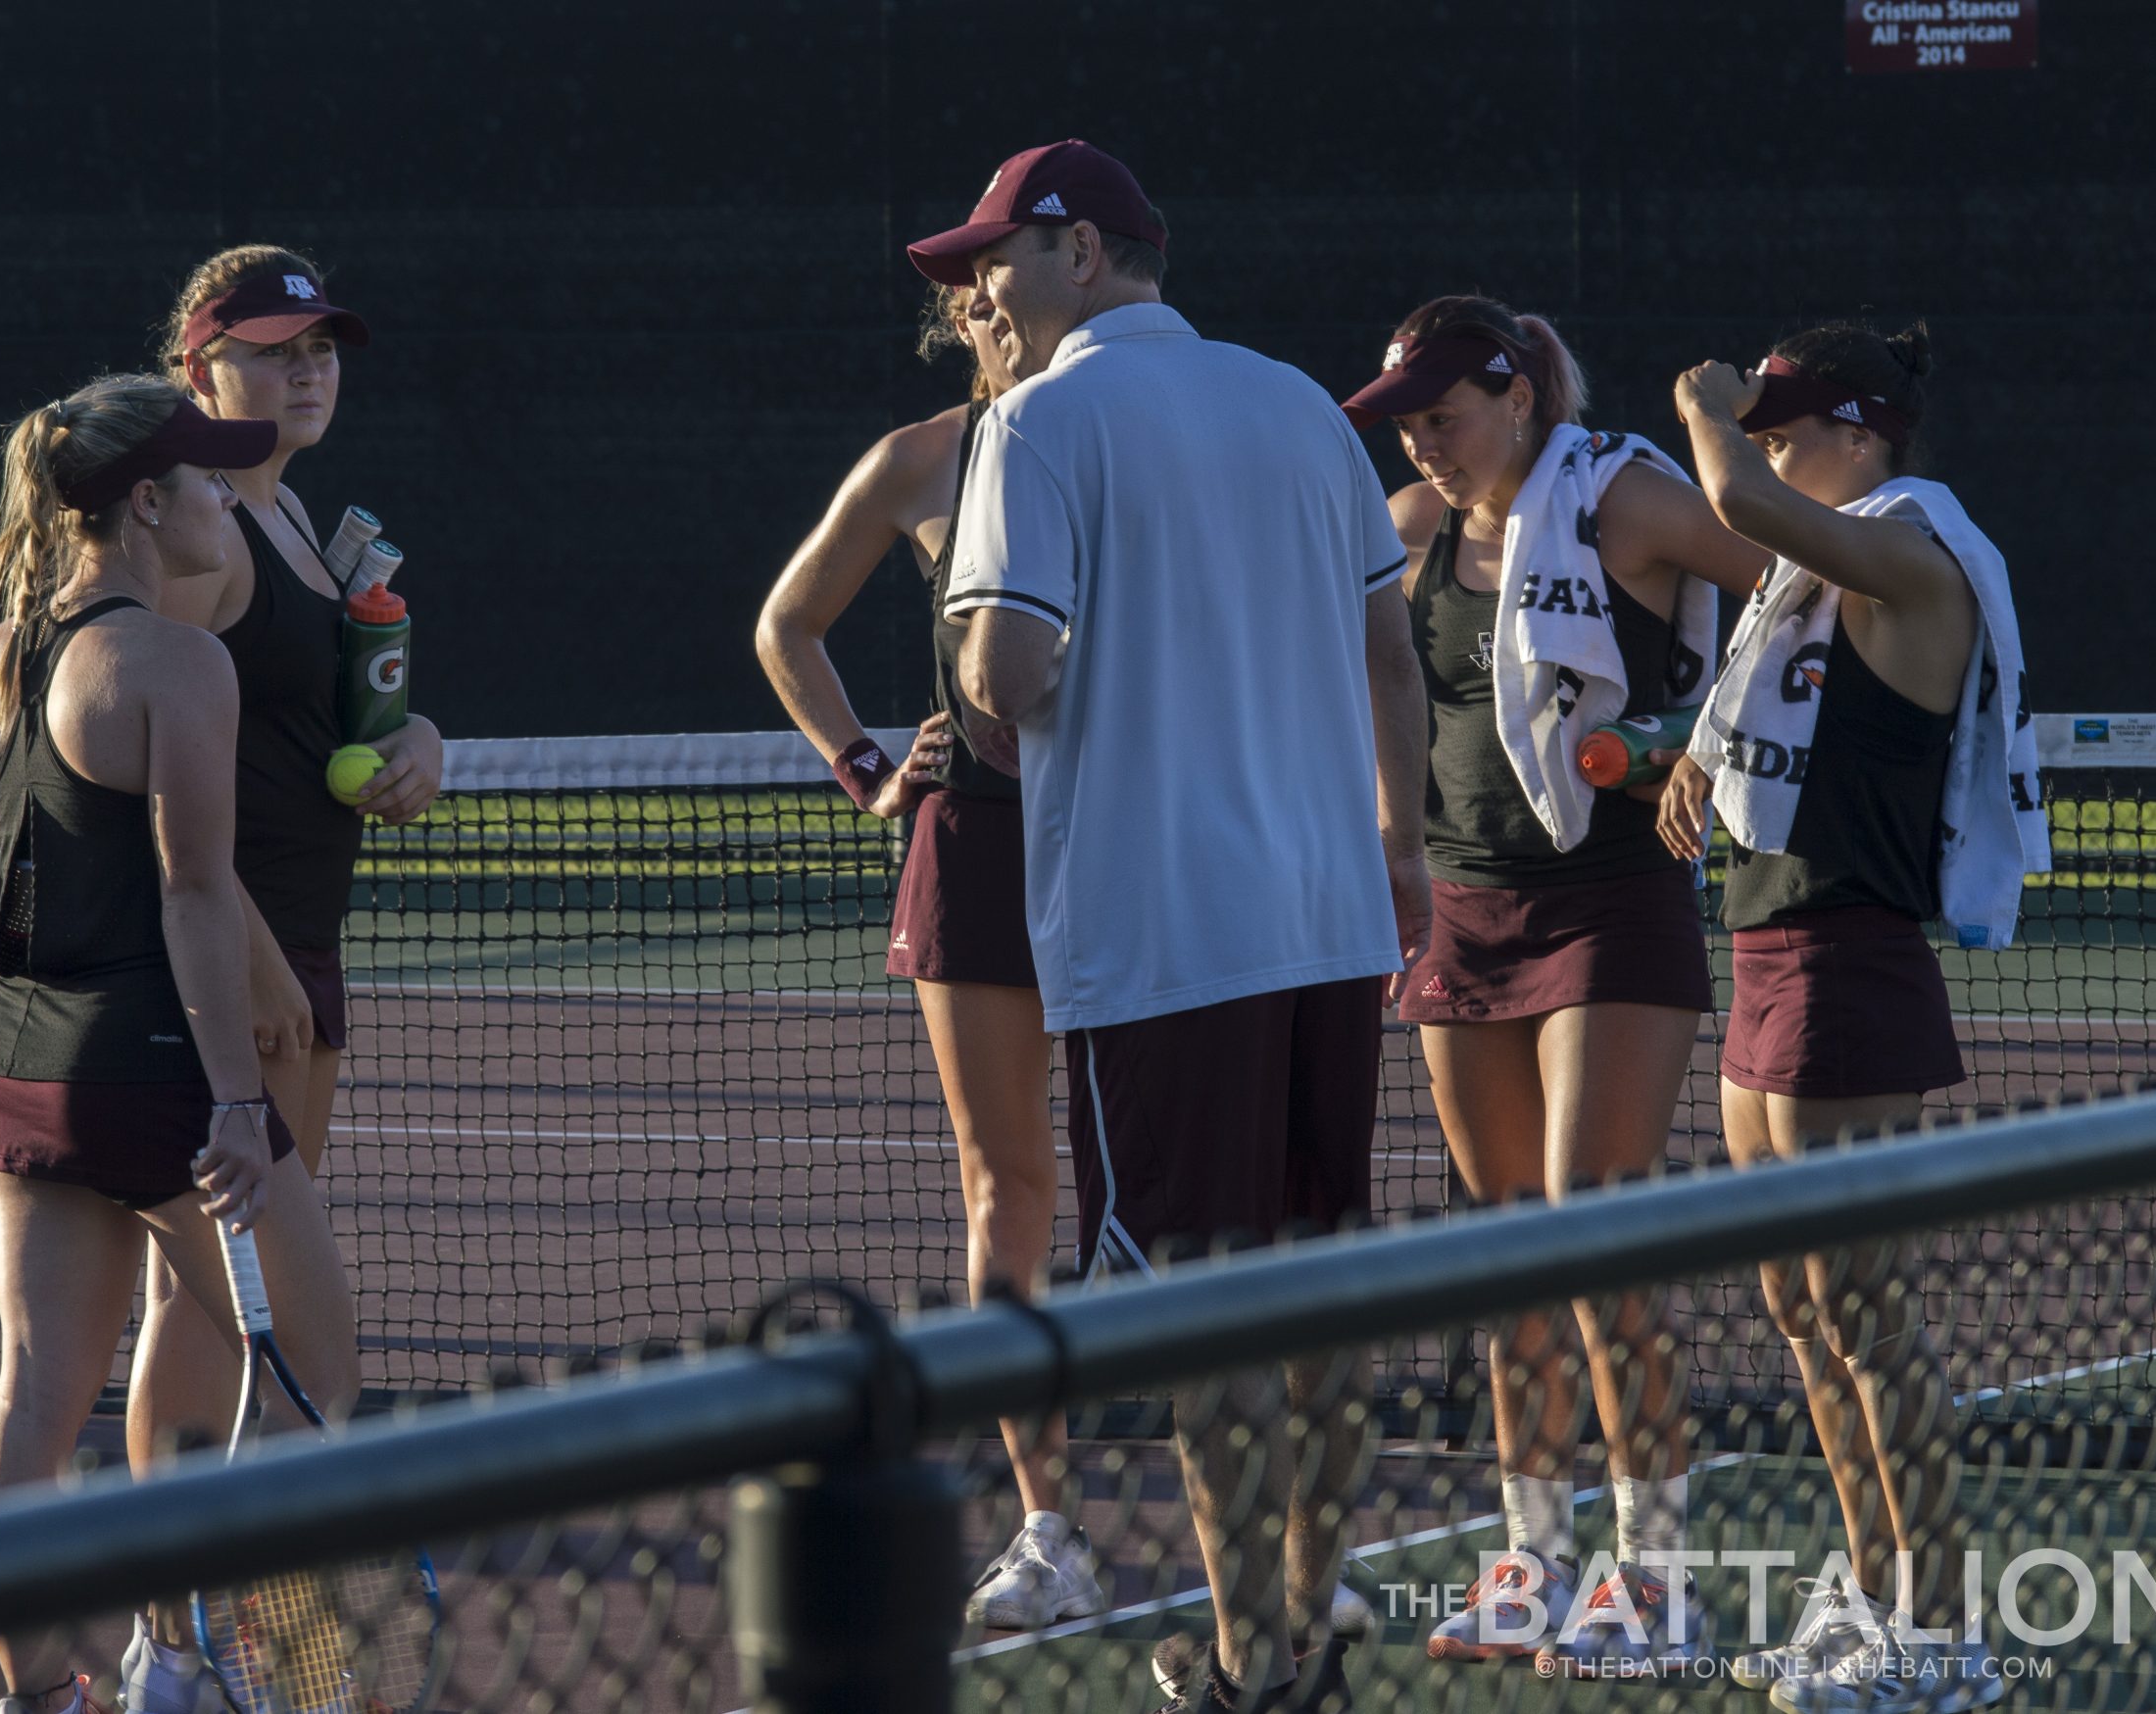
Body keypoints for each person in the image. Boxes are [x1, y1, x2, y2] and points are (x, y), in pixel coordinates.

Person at [911, 138, 1428, 1712]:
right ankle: (1304, 1632)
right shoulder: (1293, 402)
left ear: (1077, 250)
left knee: (1209, 1308)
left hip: (1169, 930)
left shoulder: (1042, 417)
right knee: (1317, 1283)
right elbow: (1389, 653)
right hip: (1328, 916)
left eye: (996, 255)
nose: (979, 287)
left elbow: (1008, 666)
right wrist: (1398, 851)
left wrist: (1000, 701)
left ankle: (1252, 1661)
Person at [1338, 298, 1771, 1678]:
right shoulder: (1409, 529)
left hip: (1613, 907)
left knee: (1597, 1235)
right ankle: (1532, 1558)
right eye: (1408, 420)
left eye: (1443, 413)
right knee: (1512, 1248)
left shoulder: (1628, 498)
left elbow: (1791, 577)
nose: (1425, 440)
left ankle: (1658, 1574)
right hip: (1459, 915)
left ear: (1518, 395)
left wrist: (1683, 733)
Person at [0, 375, 360, 1714]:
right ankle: (238, 1667)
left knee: (38, 1392)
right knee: (316, 1368)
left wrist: (9, 1061)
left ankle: (50, 1696)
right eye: (206, 483)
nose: (226, 502)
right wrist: (237, 1101)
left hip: (20, 1067)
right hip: (162, 1078)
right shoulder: (180, 661)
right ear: (144, 503)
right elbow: (194, 891)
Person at [1661, 323, 2039, 1712]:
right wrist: (1702, 757)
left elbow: (1743, 509)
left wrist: (1704, 414)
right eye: (1754, 424)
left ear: (1862, 434)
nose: (1761, 446)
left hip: (1849, 958)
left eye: (1786, 424)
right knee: (1799, 1310)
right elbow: (1764, 563)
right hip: (1768, 949)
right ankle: (1872, 1598)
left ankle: (1942, 1636)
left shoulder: (1917, 553)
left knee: (1866, 1310)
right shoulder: (1819, 578)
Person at [755, 286, 1112, 1630]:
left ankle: (1241, 1502)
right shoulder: (921, 459)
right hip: (976, 844)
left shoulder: (1123, 428)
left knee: (1176, 1172)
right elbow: (786, 623)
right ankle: (1049, 1524)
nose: (999, 308)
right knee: (1007, 1182)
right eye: (973, 289)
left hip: (1135, 836)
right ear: (962, 313)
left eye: (1016, 271)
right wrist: (863, 765)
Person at [122, 244, 441, 1706]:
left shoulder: (295, 513)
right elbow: (147, 756)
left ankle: (198, 1633)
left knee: (218, 1307)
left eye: (322, 346)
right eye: (272, 348)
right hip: (239, 966)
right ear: (202, 368)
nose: (308, 368)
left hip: (298, 948)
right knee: (217, 1307)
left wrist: (417, 744)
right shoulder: (204, 539)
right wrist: (246, 965)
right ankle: (179, 1642)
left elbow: (324, 721)